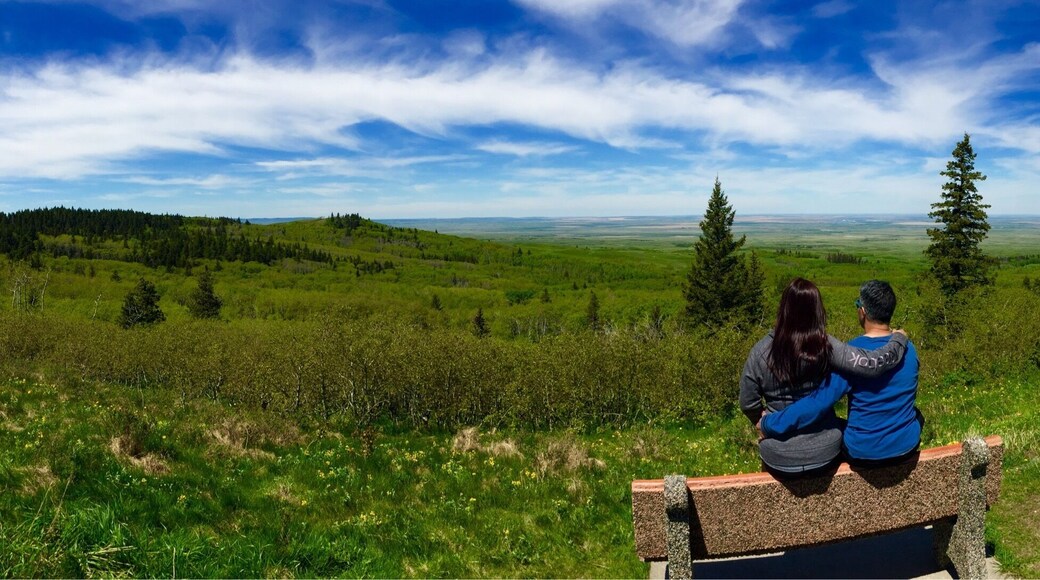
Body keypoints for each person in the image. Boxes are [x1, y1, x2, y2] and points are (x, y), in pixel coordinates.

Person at [739, 278, 909, 477]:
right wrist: (898, 339)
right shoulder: (826, 346)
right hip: (825, 449)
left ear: (783, 309)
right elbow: (871, 364)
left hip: (777, 454)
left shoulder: (760, 352)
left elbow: (747, 402)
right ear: (817, 310)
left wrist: (764, 423)